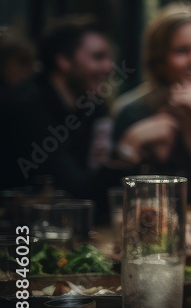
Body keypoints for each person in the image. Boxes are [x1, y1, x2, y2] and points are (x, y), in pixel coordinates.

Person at [112, 1, 191, 212]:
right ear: (159, 60)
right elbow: (114, 200)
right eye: (182, 51)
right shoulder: (134, 109)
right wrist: (130, 144)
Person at [0, 21, 120, 201]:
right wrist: (128, 149)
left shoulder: (91, 107)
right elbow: (76, 191)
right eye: (98, 57)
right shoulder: (25, 106)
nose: (109, 67)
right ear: (63, 60)